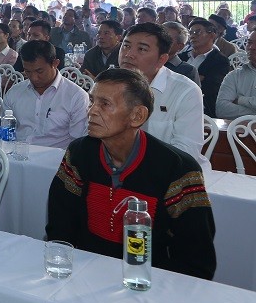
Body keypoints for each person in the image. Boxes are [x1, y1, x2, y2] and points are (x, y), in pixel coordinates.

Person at [45, 68, 216, 281]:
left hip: (149, 281)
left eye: (105, 104)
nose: (91, 111)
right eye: (92, 101)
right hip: (85, 272)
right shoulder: (80, 153)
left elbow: (196, 259)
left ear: (137, 116)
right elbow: (60, 226)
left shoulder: (178, 169)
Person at [119, 23, 208, 171]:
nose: (128, 54)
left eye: (142, 49)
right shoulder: (108, 85)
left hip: (173, 174)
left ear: (162, 59)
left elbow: (186, 151)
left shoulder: (186, 91)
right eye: (126, 46)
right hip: (117, 170)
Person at [3, 41, 89, 149]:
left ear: (55, 64)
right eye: (28, 71)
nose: (34, 78)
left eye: (39, 71)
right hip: (16, 154)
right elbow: (4, 131)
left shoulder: (76, 96)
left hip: (56, 157)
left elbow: (78, 142)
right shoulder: (15, 92)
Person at [182, 18, 232, 118]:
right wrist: (198, 77)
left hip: (203, 109)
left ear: (212, 35)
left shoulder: (220, 60)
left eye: (197, 32)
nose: (192, 36)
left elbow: (210, 87)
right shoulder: (182, 56)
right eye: (190, 32)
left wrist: (181, 79)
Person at [216, 31, 256, 120]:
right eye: (249, 42)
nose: (251, 47)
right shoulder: (234, 76)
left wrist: (240, 100)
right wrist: (253, 114)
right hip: (239, 128)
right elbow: (221, 109)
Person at [162, 21, 200, 85]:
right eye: (158, 37)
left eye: (167, 39)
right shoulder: (148, 61)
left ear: (180, 46)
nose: (161, 42)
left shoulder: (187, 71)